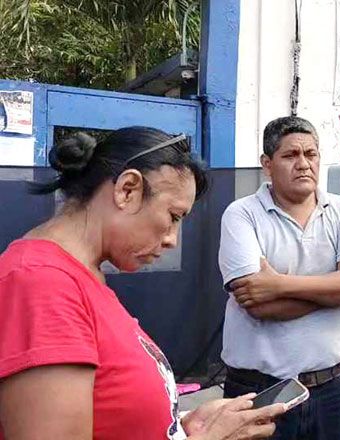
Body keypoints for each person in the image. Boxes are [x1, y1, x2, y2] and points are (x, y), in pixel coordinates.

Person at [0, 127, 284, 439]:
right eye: (173, 216)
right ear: (127, 190)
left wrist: (179, 428)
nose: (172, 240)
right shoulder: (41, 284)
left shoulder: (79, 276)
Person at [218, 116, 340, 439]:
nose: (303, 164)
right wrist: (336, 295)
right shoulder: (242, 214)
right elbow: (258, 305)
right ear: (267, 164)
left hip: (333, 387)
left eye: (310, 154)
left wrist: (279, 285)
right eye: (290, 155)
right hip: (260, 390)